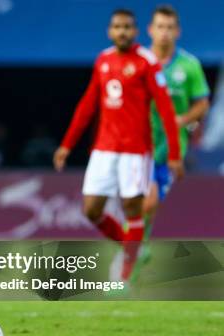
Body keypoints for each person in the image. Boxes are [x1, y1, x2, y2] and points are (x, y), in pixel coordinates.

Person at [52, 9, 183, 280]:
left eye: (127, 27)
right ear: (110, 31)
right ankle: (130, 249)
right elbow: (88, 105)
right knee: (91, 209)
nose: (122, 31)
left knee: (132, 210)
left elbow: (166, 111)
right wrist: (67, 144)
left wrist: (174, 153)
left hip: (135, 152)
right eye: (117, 27)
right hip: (104, 149)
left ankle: (122, 278)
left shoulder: (146, 62)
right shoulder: (103, 60)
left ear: (135, 32)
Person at [142, 5, 210, 260]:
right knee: (145, 201)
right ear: (150, 30)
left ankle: (138, 243)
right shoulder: (138, 61)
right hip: (139, 142)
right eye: (160, 27)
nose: (164, 33)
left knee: (151, 204)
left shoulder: (189, 65)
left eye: (170, 28)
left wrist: (183, 119)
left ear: (177, 31)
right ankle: (129, 250)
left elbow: (202, 104)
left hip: (172, 146)